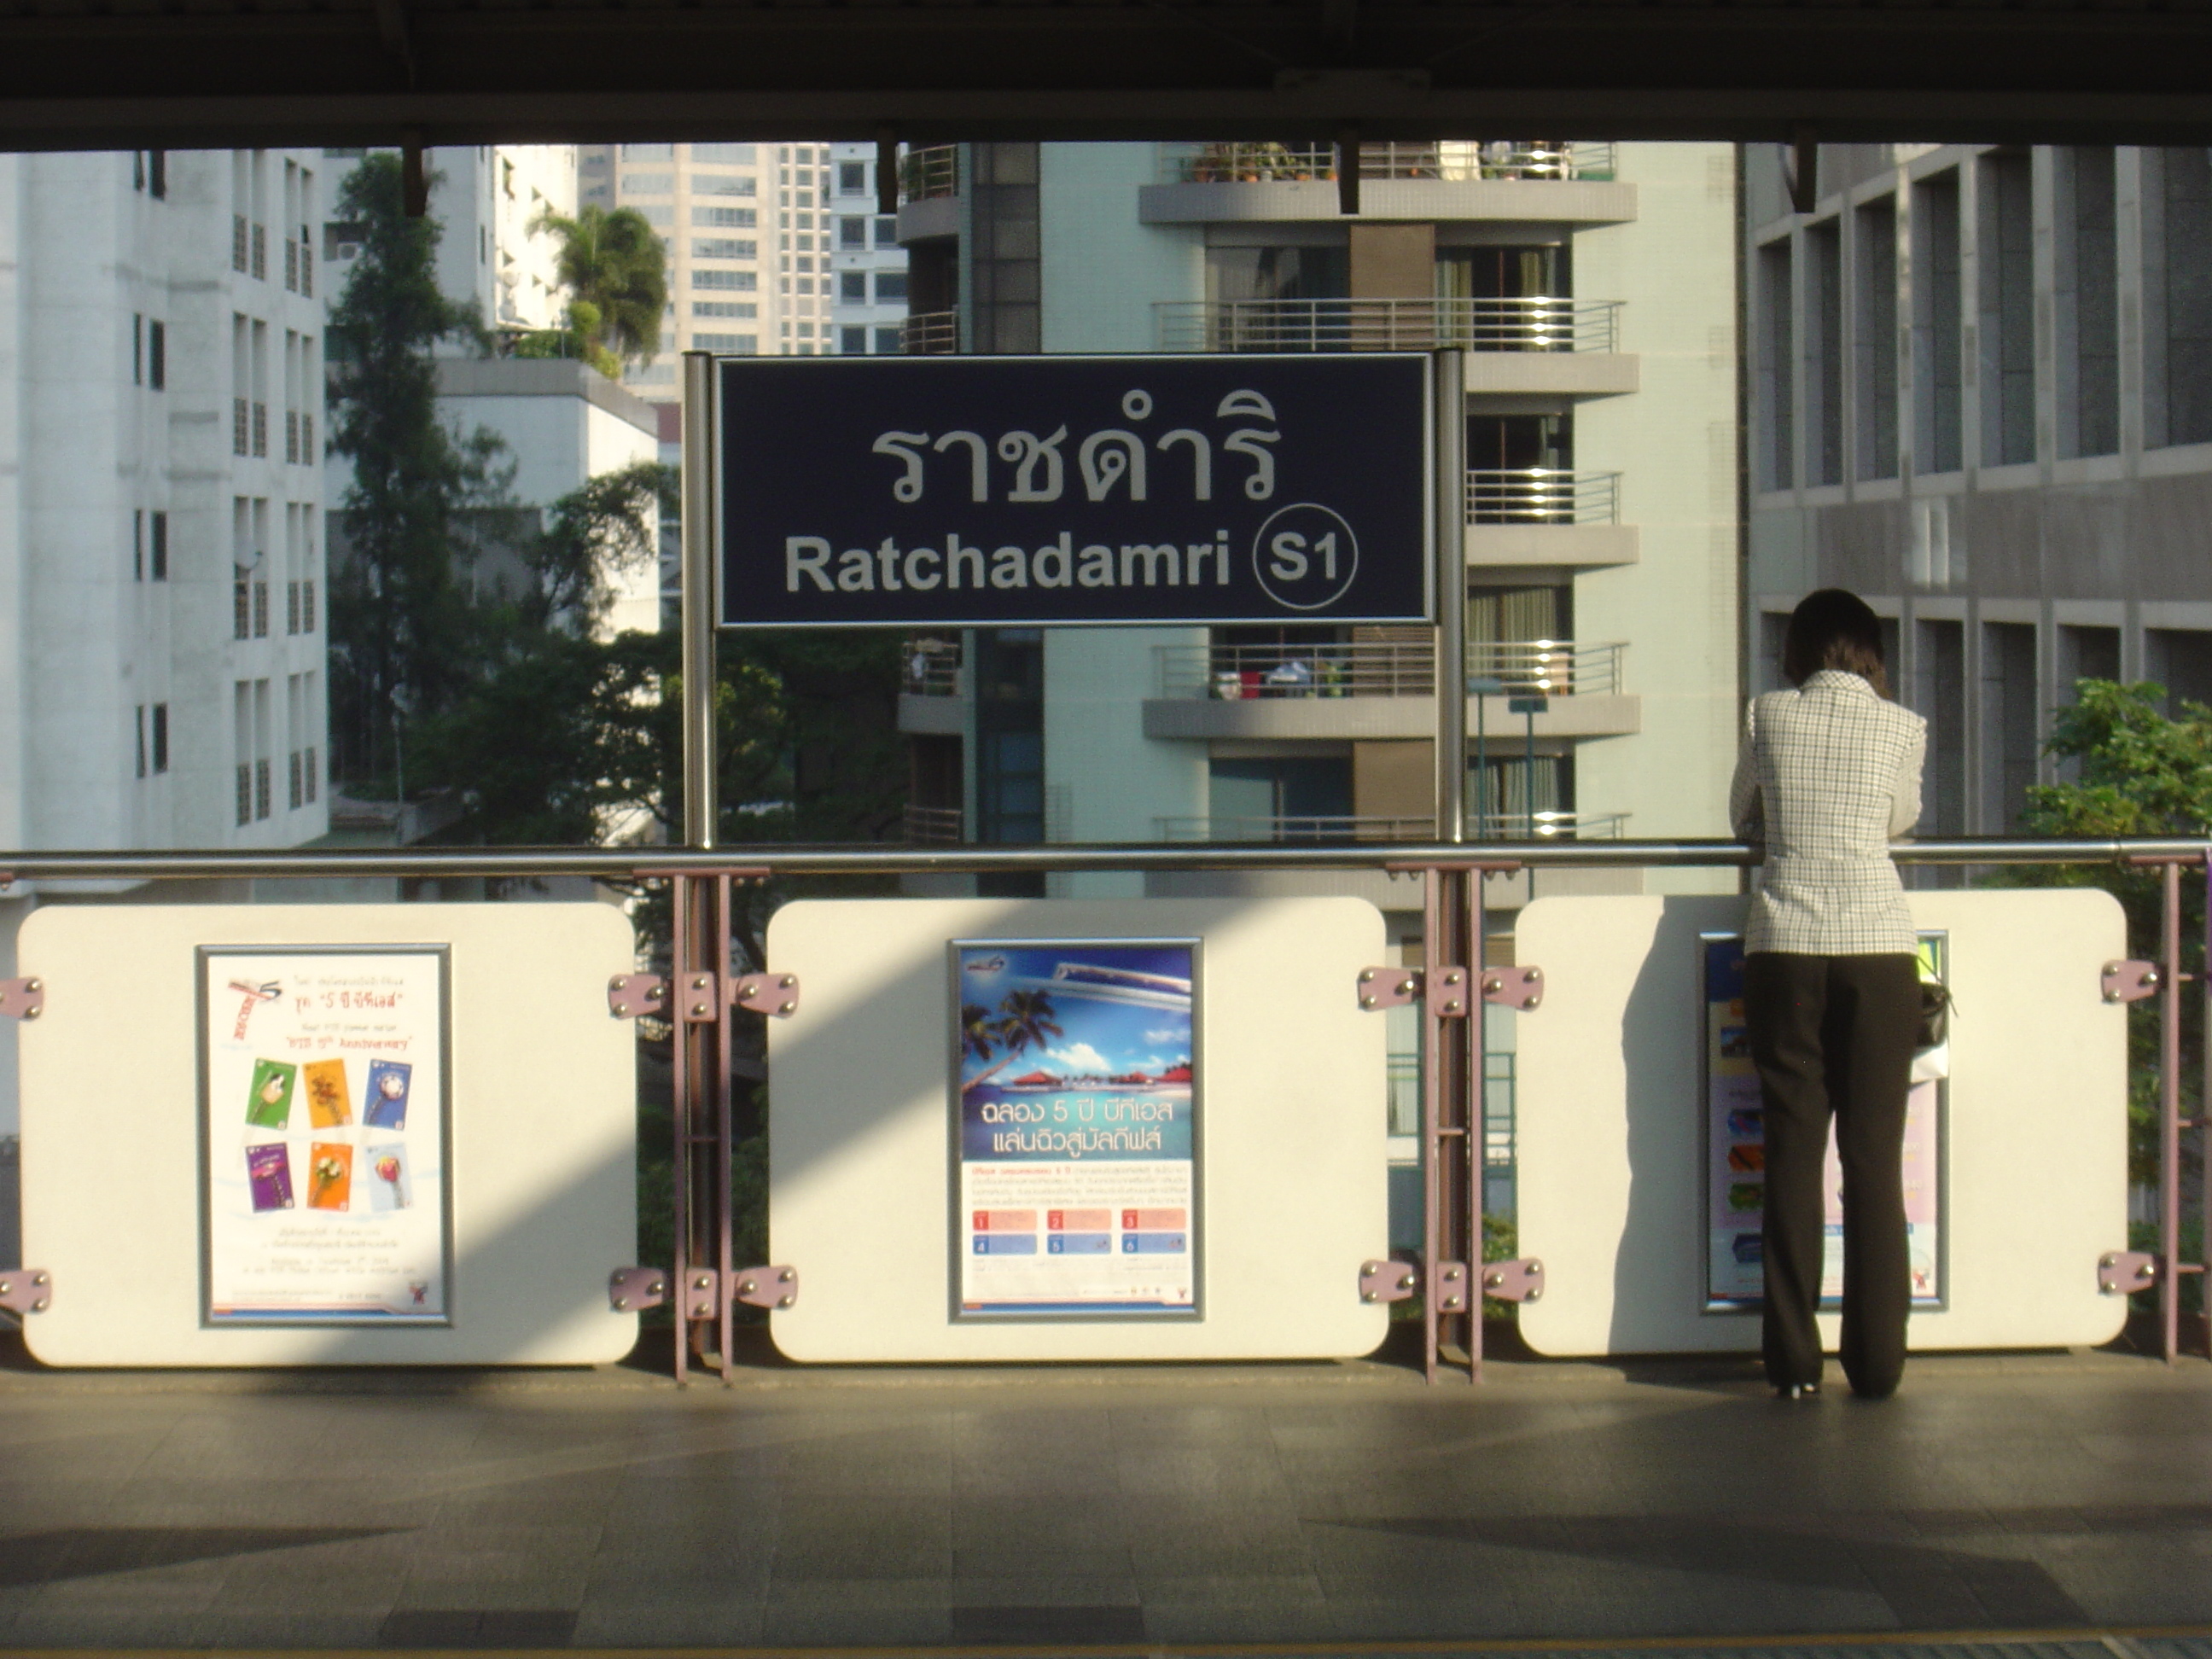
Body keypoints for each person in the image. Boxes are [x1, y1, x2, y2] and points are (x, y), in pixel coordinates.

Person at [1728, 588, 1927, 1401]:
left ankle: (1793, 1362)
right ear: (1872, 652)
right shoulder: (1904, 725)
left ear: (1798, 651)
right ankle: (1877, 1364)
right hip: (1879, 950)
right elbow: (1900, 822)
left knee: (1792, 1152)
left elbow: (1744, 818)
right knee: (1873, 1162)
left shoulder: (1765, 716)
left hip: (1784, 943)